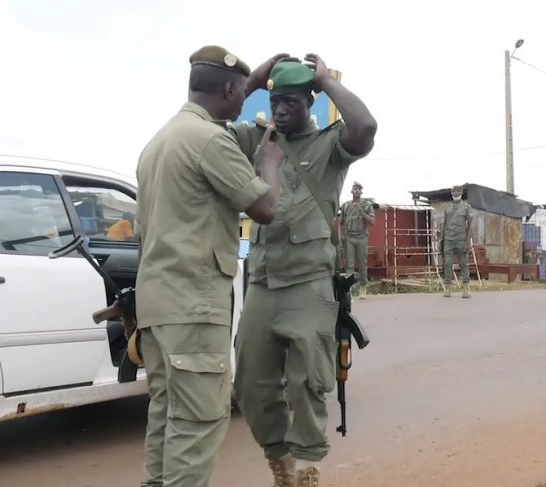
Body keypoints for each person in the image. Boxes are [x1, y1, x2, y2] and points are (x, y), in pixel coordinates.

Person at [135, 46, 281, 487]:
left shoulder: (161, 139)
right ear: (231, 90)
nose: (245, 100)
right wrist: (270, 163)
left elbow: (226, 97)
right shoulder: (211, 141)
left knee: (166, 419)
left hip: (158, 307)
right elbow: (265, 207)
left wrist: (251, 80)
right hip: (194, 306)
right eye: (242, 91)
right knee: (197, 425)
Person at [229, 54, 377, 486]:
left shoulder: (330, 145)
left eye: (291, 102)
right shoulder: (257, 138)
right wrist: (253, 79)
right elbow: (209, 132)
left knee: (307, 382)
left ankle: (308, 466)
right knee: (250, 385)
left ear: (309, 102)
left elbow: (365, 128)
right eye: (274, 101)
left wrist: (327, 81)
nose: (279, 111)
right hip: (262, 282)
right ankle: (281, 461)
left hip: (309, 283)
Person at [339, 181, 375, 298]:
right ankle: (349, 289)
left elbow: (372, 222)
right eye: (355, 188)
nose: (357, 190)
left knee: (362, 264)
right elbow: (342, 222)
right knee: (349, 264)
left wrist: (361, 210)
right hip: (349, 237)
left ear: (362, 191)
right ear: (351, 191)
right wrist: (342, 236)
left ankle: (363, 287)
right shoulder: (345, 206)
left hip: (361, 237)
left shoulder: (367, 205)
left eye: (359, 189)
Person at [440, 185, 474, 298]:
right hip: (448, 240)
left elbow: (470, 225)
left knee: (463, 264)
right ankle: (448, 287)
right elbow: (444, 224)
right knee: (447, 264)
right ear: (451, 193)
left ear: (461, 192)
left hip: (461, 240)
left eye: (458, 191)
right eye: (453, 191)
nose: (455, 193)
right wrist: (441, 237)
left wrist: (467, 242)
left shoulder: (466, 207)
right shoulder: (447, 208)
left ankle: (466, 288)